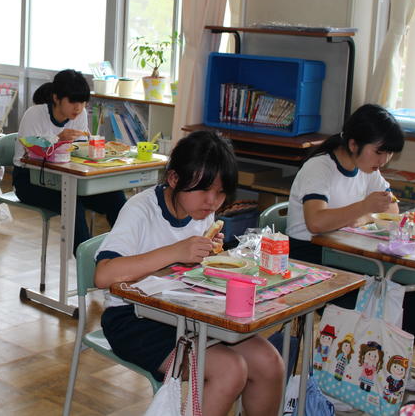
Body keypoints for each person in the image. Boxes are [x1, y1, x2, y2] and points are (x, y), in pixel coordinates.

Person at [94, 131, 284, 416]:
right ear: (173, 179)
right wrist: (176, 251)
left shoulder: (202, 212)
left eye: (220, 193)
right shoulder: (140, 210)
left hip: (188, 314)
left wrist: (210, 254)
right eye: (203, 190)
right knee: (230, 371)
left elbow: (190, 272)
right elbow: (104, 275)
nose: (212, 202)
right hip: (134, 320)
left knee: (270, 362)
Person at [287, 103, 415, 343]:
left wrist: (363, 216)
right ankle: (367, 354)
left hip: (343, 251)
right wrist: (364, 208)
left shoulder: (367, 168)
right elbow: (315, 222)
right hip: (311, 255)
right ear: (354, 144)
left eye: (389, 153)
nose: (384, 160)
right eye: (379, 152)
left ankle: (395, 352)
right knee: (384, 296)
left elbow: (392, 208)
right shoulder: (320, 167)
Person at [13, 69, 126, 253]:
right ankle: (86, 260)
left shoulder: (80, 115)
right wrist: (59, 138)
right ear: (56, 98)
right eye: (73, 101)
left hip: (68, 179)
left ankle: (123, 252)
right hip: (30, 180)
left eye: (82, 102)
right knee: (71, 205)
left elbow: (79, 149)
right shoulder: (34, 114)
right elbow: (30, 152)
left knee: (116, 198)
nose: (78, 108)